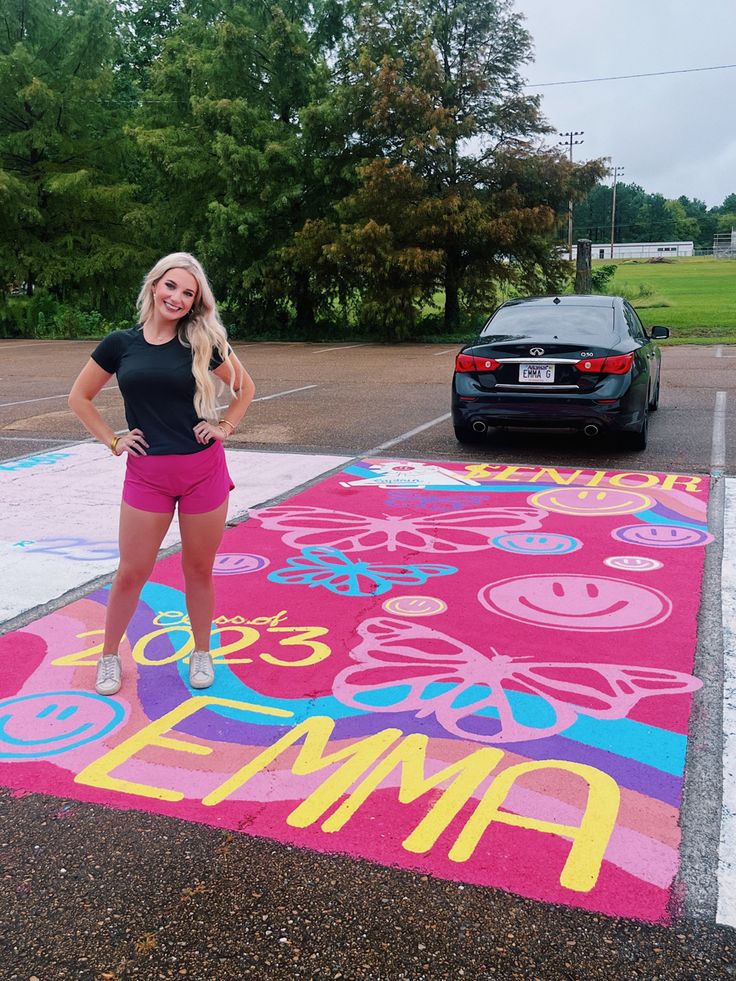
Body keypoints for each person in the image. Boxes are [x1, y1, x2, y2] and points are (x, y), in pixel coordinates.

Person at [68, 252, 255, 697]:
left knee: (198, 569)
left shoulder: (202, 340)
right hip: (147, 475)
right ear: (154, 286)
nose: (178, 297)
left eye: (188, 293)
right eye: (171, 286)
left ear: (195, 302)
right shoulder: (120, 343)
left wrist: (224, 426)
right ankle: (109, 656)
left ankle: (202, 652)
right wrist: (113, 440)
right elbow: (80, 397)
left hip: (203, 472)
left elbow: (245, 388)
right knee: (132, 570)